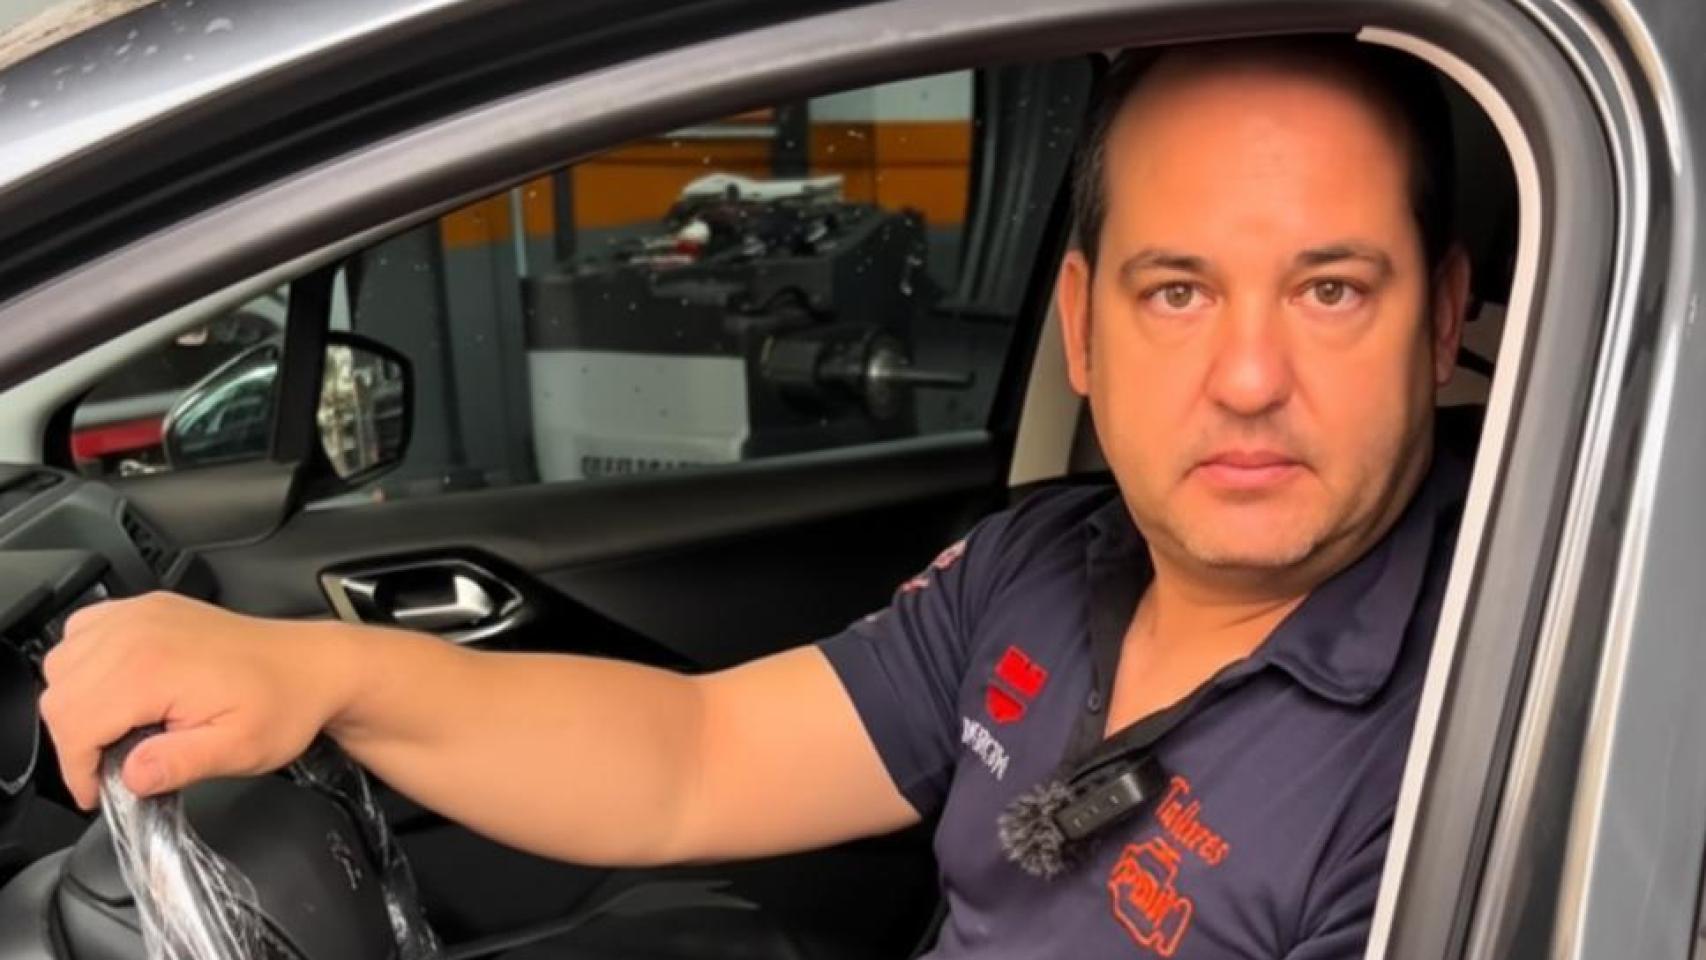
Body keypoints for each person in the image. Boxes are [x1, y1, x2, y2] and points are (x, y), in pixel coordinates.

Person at [40, 34, 1472, 959]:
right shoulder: (1041, 565)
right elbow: (696, 755)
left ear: (1442, 318)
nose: (1246, 378)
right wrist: (316, 673)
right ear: (1084, 331)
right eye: (1178, 292)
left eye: (1330, 290)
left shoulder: (1478, 723)